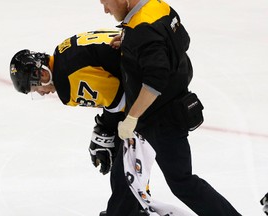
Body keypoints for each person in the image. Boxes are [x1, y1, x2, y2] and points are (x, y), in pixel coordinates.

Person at [97, 0, 242, 215]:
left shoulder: (142, 30)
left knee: (157, 181)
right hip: (172, 110)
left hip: (157, 120)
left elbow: (155, 81)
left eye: (106, 3)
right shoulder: (158, 7)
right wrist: (131, 43)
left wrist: (132, 118)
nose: (106, 10)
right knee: (154, 178)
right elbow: (181, 41)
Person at [10, 30, 126, 175]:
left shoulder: (66, 82)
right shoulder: (63, 49)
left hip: (152, 79)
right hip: (150, 56)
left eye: (36, 87)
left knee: (126, 168)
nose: (40, 92)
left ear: (42, 73)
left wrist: (107, 128)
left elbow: (119, 99)